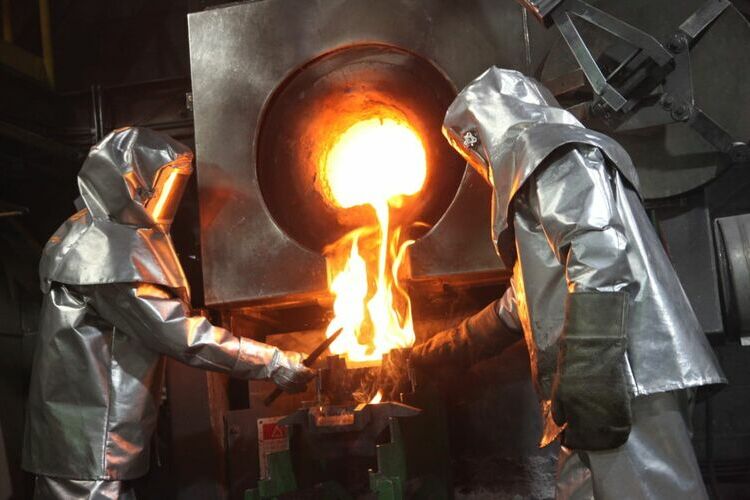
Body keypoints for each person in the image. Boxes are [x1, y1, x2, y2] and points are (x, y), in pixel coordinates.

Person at [412, 68, 726, 499]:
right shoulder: (541, 170)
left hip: (626, 379)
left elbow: (599, 254)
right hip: (595, 389)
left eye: (473, 143)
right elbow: (521, 303)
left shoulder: (550, 152)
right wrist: (442, 351)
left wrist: (591, 369)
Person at [22, 127, 315, 499]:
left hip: (82, 441)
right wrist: (271, 361)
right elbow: (179, 334)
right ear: (131, 185)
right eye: (161, 186)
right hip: (90, 447)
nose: (164, 199)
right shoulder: (104, 253)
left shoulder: (84, 233)